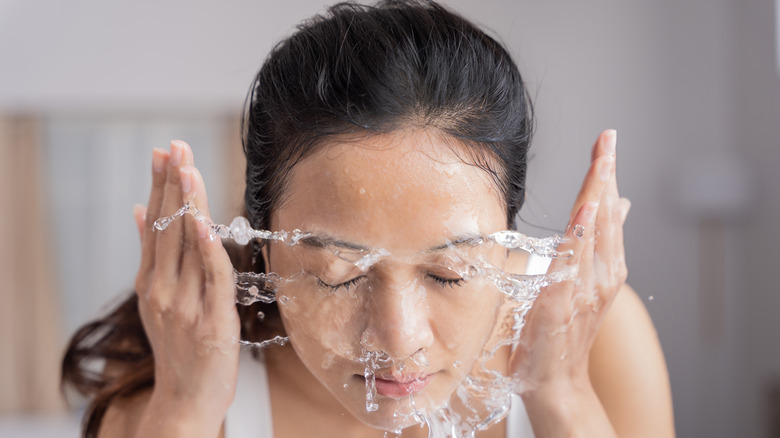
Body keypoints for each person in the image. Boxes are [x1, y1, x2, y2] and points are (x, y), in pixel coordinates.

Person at [61, 1, 674, 437]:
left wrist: (561, 398)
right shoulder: (170, 393)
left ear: (508, 236)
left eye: (452, 273)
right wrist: (187, 409)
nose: (397, 340)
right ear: (267, 250)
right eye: (338, 274)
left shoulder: (600, 338)